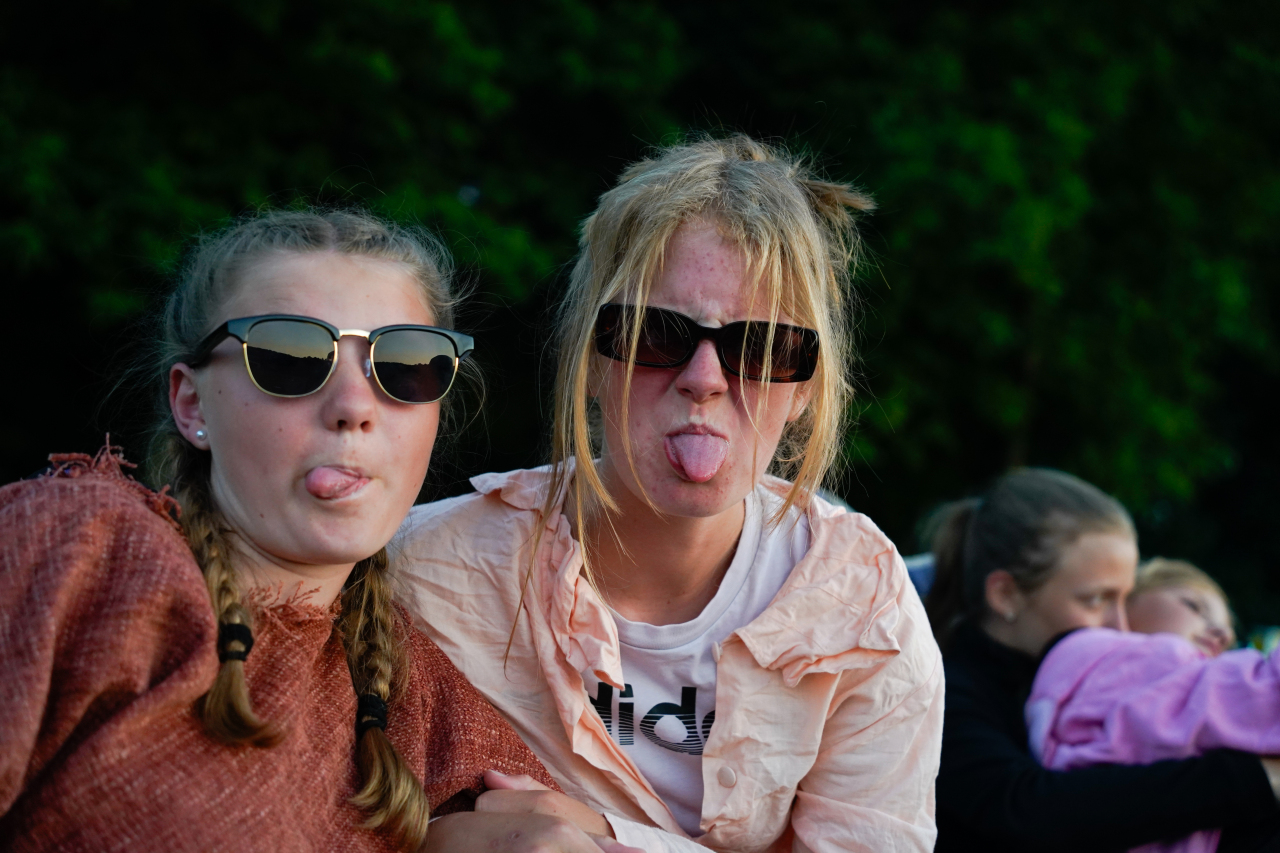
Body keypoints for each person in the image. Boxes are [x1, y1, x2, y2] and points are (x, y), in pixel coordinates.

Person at [0, 210, 637, 853]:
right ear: (191, 404)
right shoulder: (79, 552)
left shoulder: (427, 704)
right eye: (289, 358)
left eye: (404, 364)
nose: (354, 407)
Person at [393, 135, 945, 852]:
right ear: (591, 358)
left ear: (804, 388)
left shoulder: (864, 607)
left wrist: (605, 837)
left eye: (760, 348)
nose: (705, 379)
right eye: (655, 334)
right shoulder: (425, 570)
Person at [928, 468, 1280, 853]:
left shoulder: (1099, 676)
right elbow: (1025, 810)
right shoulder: (941, 695)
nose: (1120, 626)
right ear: (1006, 594)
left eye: (1125, 599)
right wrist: (1254, 779)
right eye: (1096, 600)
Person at [1027, 559, 1280, 853]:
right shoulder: (1138, 658)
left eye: (1229, 636)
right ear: (1123, 604)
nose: (1221, 634)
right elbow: (1252, 696)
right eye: (1195, 607)